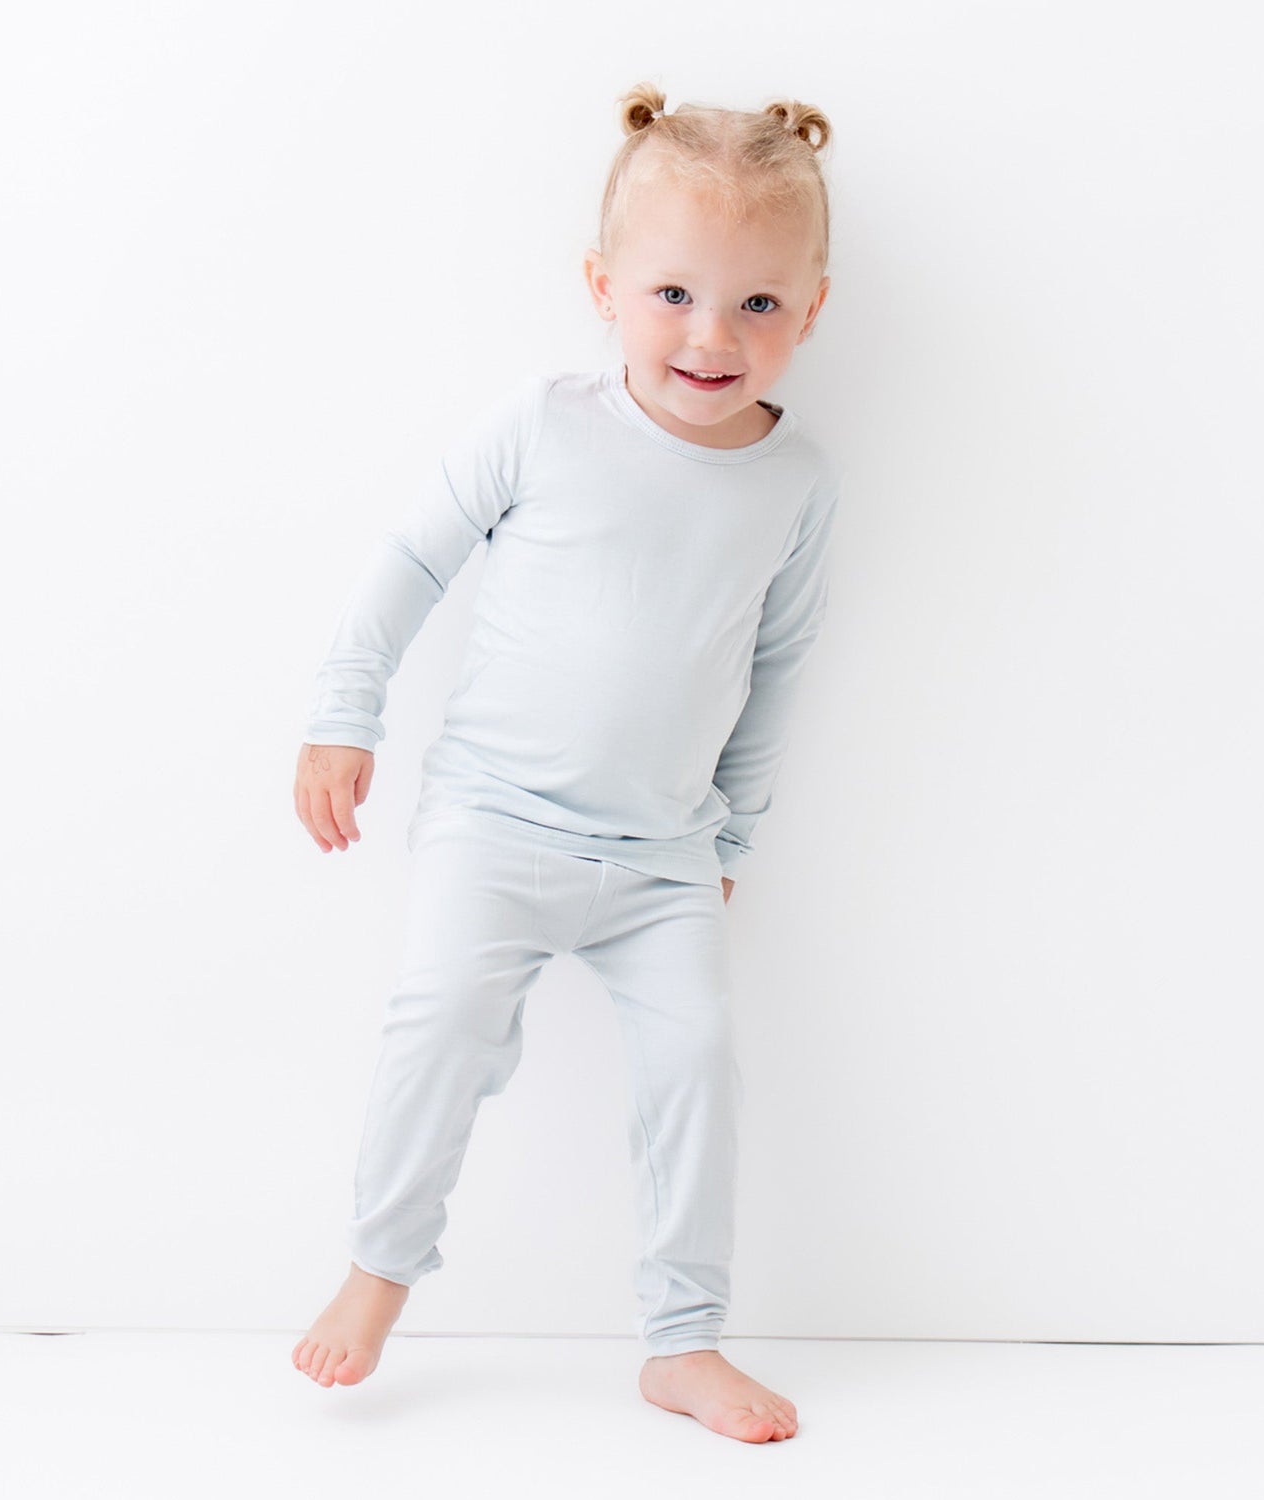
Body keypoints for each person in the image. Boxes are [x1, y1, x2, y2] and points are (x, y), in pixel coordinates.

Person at [290, 80, 841, 1445]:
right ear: (604, 287)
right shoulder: (544, 421)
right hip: (496, 821)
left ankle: (683, 1341)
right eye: (673, 295)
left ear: (812, 309)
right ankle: (378, 1272)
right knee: (441, 1024)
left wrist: (732, 839)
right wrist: (345, 712)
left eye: (758, 304)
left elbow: (775, 671)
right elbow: (413, 558)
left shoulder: (795, 483)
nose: (711, 337)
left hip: (662, 857)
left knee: (698, 1063)